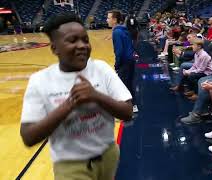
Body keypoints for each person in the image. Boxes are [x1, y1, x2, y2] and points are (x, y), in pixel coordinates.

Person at [20, 13, 133, 180]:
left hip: (108, 154)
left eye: (85, 40)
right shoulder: (40, 81)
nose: (82, 46)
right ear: (54, 48)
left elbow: (127, 112)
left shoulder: (101, 69)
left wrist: (96, 96)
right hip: (70, 164)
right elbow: (29, 136)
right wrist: (69, 105)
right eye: (72, 41)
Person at [107, 10, 138, 113]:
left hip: (124, 62)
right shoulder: (125, 30)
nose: (107, 20)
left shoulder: (116, 32)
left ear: (114, 20)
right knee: (128, 84)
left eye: (108, 18)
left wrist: (117, 65)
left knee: (123, 86)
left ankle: (127, 110)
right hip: (131, 61)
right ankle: (133, 106)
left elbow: (119, 51)